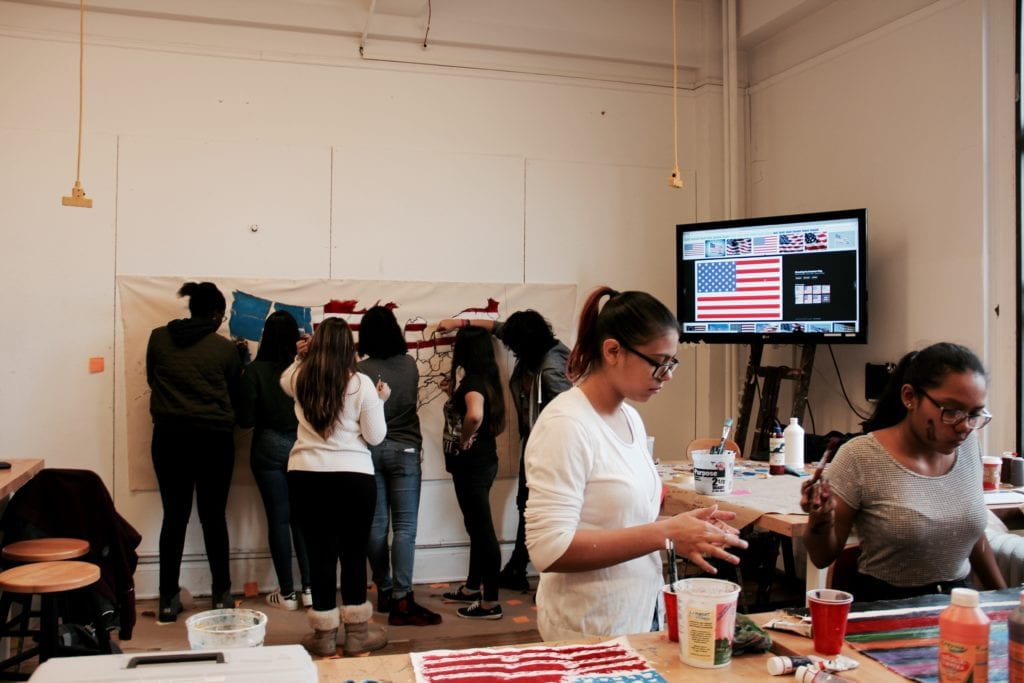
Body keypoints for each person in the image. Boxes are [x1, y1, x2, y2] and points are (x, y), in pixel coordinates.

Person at [524, 287, 748, 640]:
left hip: (637, 615)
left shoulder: (629, 417)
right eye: (659, 362)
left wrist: (683, 528)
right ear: (613, 350)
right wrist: (666, 533)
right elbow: (549, 550)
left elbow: (622, 521)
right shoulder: (565, 425)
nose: (668, 375)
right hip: (588, 627)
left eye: (672, 362)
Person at [801, 342, 1006, 602]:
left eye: (975, 414)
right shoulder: (860, 456)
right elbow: (822, 557)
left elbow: (972, 538)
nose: (964, 426)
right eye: (951, 412)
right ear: (909, 397)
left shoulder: (969, 449)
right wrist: (820, 521)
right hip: (887, 606)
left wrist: (1005, 598)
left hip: (958, 603)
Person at [437, 312, 572, 591]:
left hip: (551, 448)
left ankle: (524, 579)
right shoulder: (533, 353)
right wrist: (457, 323)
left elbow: (569, 415)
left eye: (513, 344)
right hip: (532, 443)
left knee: (543, 507)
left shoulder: (549, 368)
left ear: (525, 343)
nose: (508, 348)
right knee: (524, 504)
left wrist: (463, 439)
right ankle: (516, 568)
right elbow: (496, 327)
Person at [282, 317, 390, 657]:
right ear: (350, 347)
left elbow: (283, 379)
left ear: (315, 345)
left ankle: (324, 638)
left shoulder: (300, 377)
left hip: (306, 475)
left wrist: (300, 356)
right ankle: (357, 636)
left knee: (320, 556)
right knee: (354, 555)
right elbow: (375, 437)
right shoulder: (361, 384)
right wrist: (381, 401)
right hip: (353, 477)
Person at [146, 281, 242, 623]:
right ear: (217, 314)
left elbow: (151, 381)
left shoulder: (158, 338)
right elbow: (235, 394)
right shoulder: (226, 350)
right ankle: (221, 595)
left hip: (169, 438)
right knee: (213, 517)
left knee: (174, 517)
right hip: (213, 440)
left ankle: (168, 600)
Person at [358, 306, 442, 626]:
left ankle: (385, 587)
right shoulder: (409, 366)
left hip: (371, 450)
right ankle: (402, 599)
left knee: (376, 527)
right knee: (405, 529)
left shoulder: (359, 371)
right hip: (406, 450)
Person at [236, 311, 311, 612]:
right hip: (303, 445)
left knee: (278, 520)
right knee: (302, 520)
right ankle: (310, 589)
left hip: (267, 446)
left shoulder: (254, 372)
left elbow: (245, 420)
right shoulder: (305, 370)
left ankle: (287, 594)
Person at [440, 326, 507, 619]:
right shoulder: (483, 380)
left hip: (473, 466)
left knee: (483, 532)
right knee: (476, 528)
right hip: (480, 464)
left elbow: (475, 415)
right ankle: (471, 588)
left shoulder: (474, 384)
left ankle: (490, 602)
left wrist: (466, 437)